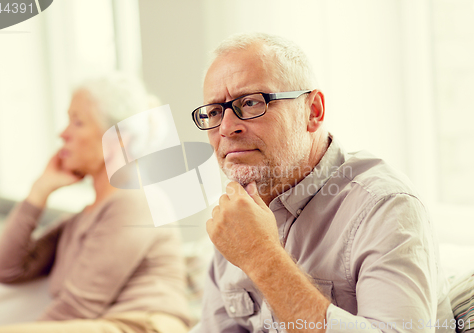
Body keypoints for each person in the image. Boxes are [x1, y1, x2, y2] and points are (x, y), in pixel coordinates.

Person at [189, 32, 454, 332]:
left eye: (250, 103)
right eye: (213, 112)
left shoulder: (387, 206)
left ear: (313, 111)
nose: (225, 127)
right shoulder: (234, 216)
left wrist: (262, 258)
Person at [0, 73, 191, 333]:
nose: (62, 133)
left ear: (118, 138)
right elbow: (6, 270)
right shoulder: (85, 216)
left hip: (139, 326)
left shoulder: (136, 201)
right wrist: (40, 190)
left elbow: (75, 310)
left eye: (77, 122)